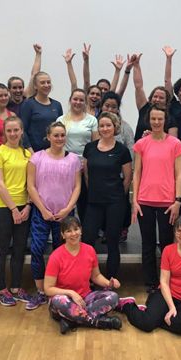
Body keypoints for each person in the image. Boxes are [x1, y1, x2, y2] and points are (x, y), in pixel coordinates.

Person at [27, 122, 82, 310]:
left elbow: (77, 186)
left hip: (65, 215)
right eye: (56, 135)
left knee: (62, 253)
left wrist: (67, 209)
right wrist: (42, 209)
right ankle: (41, 291)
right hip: (41, 213)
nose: (59, 138)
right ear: (48, 137)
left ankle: (59, 290)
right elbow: (31, 186)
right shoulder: (37, 158)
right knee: (37, 249)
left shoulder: (73, 159)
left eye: (62, 135)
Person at [132, 105, 181, 292]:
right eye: (153, 119)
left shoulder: (175, 144)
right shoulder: (141, 144)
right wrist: (134, 201)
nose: (156, 122)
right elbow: (137, 173)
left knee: (166, 244)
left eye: (160, 119)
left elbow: (179, 174)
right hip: (144, 201)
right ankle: (151, 283)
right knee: (147, 244)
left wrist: (177, 200)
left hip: (167, 203)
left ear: (165, 120)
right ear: (149, 120)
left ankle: (167, 281)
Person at [45, 216, 122, 334]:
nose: (73, 234)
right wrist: (71, 293)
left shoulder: (90, 250)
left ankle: (71, 321)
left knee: (113, 297)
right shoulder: (55, 256)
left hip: (85, 298)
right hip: (65, 299)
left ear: (81, 230)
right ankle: (101, 322)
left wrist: (109, 283)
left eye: (76, 229)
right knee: (58, 301)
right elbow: (48, 289)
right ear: (63, 235)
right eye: (68, 231)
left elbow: (96, 276)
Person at [82, 112, 132, 279]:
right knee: (88, 240)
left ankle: (111, 280)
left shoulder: (122, 150)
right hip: (94, 201)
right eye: (102, 125)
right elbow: (87, 175)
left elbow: (127, 178)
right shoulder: (89, 148)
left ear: (114, 127)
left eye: (108, 125)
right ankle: (88, 278)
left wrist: (117, 196)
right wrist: (95, 191)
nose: (105, 128)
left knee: (112, 241)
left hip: (115, 203)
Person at [0, 116, 33, 306]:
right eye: (9, 130)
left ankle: (16, 287)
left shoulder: (27, 154)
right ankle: (1, 289)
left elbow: (32, 183)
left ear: (21, 131)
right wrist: (14, 209)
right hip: (3, 208)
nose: (13, 133)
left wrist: (28, 205)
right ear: (4, 133)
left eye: (16, 130)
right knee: (2, 248)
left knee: (19, 248)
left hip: (24, 208)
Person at [56, 88, 99, 222]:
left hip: (85, 167)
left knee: (84, 202)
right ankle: (66, 230)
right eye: (75, 99)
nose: (78, 102)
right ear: (70, 100)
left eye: (81, 100)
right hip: (65, 166)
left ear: (85, 102)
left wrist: (88, 165)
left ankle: (85, 230)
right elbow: (57, 143)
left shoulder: (92, 120)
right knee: (65, 201)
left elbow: (95, 145)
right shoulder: (61, 119)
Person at [100, 91, 135, 241]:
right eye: (107, 106)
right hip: (102, 175)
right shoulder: (98, 125)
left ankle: (122, 229)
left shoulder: (125, 128)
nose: (110, 109)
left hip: (120, 176)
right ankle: (104, 230)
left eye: (114, 107)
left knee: (122, 205)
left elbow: (131, 150)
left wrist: (129, 174)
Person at [130, 53, 178, 141]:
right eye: (155, 96)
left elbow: (173, 142)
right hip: (139, 148)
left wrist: (155, 137)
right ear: (151, 98)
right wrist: (136, 65)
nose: (157, 99)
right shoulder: (144, 108)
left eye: (161, 98)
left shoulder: (170, 118)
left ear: (167, 101)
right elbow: (138, 86)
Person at [20, 71, 64, 151]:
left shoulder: (57, 105)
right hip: (34, 151)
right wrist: (31, 152)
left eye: (48, 82)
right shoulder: (28, 104)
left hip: (53, 152)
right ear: (35, 86)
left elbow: (61, 129)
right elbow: (22, 130)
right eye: (42, 83)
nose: (46, 85)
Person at [6, 43, 43, 118]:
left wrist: (38, 54)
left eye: (20, 87)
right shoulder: (5, 104)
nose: (18, 90)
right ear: (9, 89)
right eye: (14, 88)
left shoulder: (26, 99)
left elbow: (34, 75)